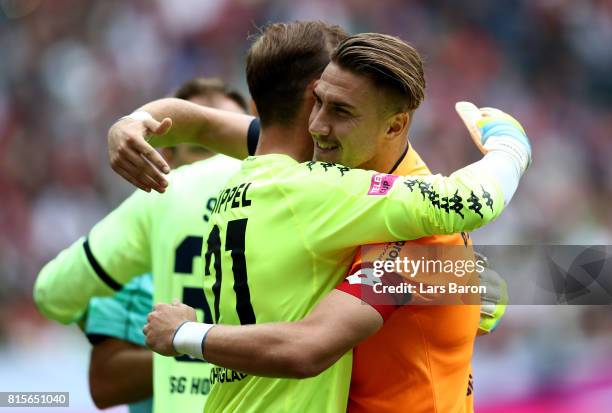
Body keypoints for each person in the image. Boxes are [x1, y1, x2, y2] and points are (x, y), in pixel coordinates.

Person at [128, 29, 530, 412]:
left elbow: (310, 346)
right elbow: (205, 124)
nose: (317, 125)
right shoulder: (328, 174)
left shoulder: (414, 236)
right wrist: (132, 125)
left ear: (394, 124)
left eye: (340, 111)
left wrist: (510, 149)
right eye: (317, 101)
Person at [34, 77, 252, 413]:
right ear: (167, 159)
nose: (222, 165)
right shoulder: (129, 260)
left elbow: (54, 294)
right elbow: (105, 382)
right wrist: (222, 354)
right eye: (203, 147)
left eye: (233, 145)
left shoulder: (276, 227)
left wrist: (195, 345)